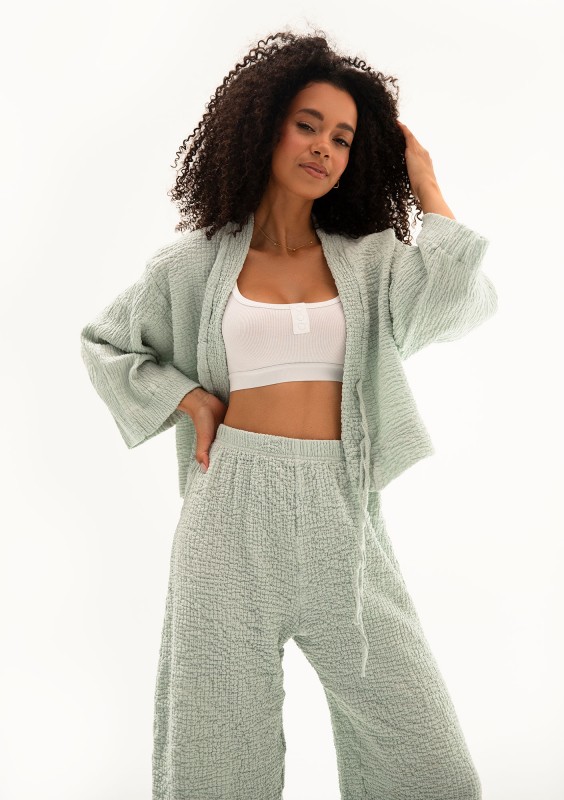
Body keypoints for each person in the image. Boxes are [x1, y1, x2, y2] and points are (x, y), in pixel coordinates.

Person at [80, 29, 497, 800]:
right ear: (265, 125)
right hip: (228, 519)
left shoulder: (370, 261)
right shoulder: (192, 264)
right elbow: (106, 343)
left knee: (431, 765)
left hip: (343, 511)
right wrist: (187, 397)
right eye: (308, 125)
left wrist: (426, 183)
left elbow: (456, 296)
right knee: (218, 764)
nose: (324, 148)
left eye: (342, 137)